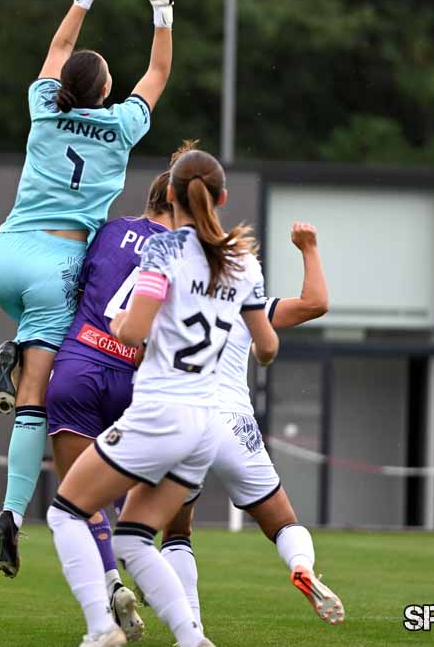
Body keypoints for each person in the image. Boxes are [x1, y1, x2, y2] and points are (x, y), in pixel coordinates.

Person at [0, 0, 187, 574]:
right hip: (56, 264)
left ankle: (13, 354)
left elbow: (59, 50)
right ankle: (14, 512)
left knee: (33, 352)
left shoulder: (44, 110)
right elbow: (157, 75)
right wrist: (162, 7)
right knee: (36, 400)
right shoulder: (124, 126)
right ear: (105, 91)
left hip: (3, 255)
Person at [47, 148, 277, 647]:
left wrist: (118, 322)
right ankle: (193, 639)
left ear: (169, 194)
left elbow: (134, 330)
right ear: (221, 197)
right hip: (205, 427)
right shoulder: (245, 264)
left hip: (160, 412)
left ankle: (99, 629)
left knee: (65, 510)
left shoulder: (165, 250)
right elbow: (268, 347)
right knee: (133, 535)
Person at [159, 221, 345, 631]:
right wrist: (308, 247)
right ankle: (302, 567)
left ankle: (191, 630)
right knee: (283, 523)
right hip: (234, 423)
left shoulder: (169, 293)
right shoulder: (247, 302)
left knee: (176, 531)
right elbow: (316, 303)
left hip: (185, 420)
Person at [41, 142, 192, 637]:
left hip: (81, 365)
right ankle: (151, 569)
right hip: (136, 381)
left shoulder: (109, 231)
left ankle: (110, 586)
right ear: (176, 205)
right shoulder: (184, 257)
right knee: (141, 496)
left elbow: (77, 288)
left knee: (77, 501)